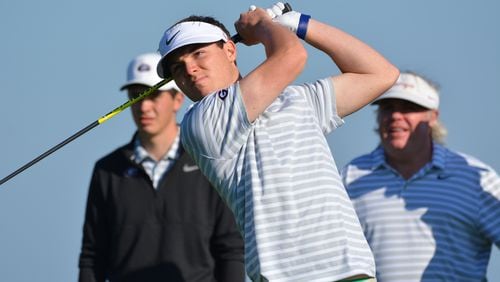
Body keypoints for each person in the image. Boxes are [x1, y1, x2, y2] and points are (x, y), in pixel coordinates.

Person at [155, 3, 399, 281]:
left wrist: (301, 24)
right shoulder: (200, 121)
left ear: (230, 50)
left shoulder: (296, 100)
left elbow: (380, 74)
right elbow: (291, 55)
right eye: (177, 67)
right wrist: (262, 26)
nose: (190, 69)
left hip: (351, 273)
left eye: (198, 53)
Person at [78, 52, 245, 282]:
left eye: (153, 95)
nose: (143, 106)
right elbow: (92, 255)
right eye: (135, 96)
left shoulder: (209, 159)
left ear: (177, 100)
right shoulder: (107, 170)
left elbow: (231, 249)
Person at [341, 71, 500, 281]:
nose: (395, 116)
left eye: (408, 108)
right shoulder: (351, 177)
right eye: (387, 107)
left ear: (433, 117)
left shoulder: (474, 178)